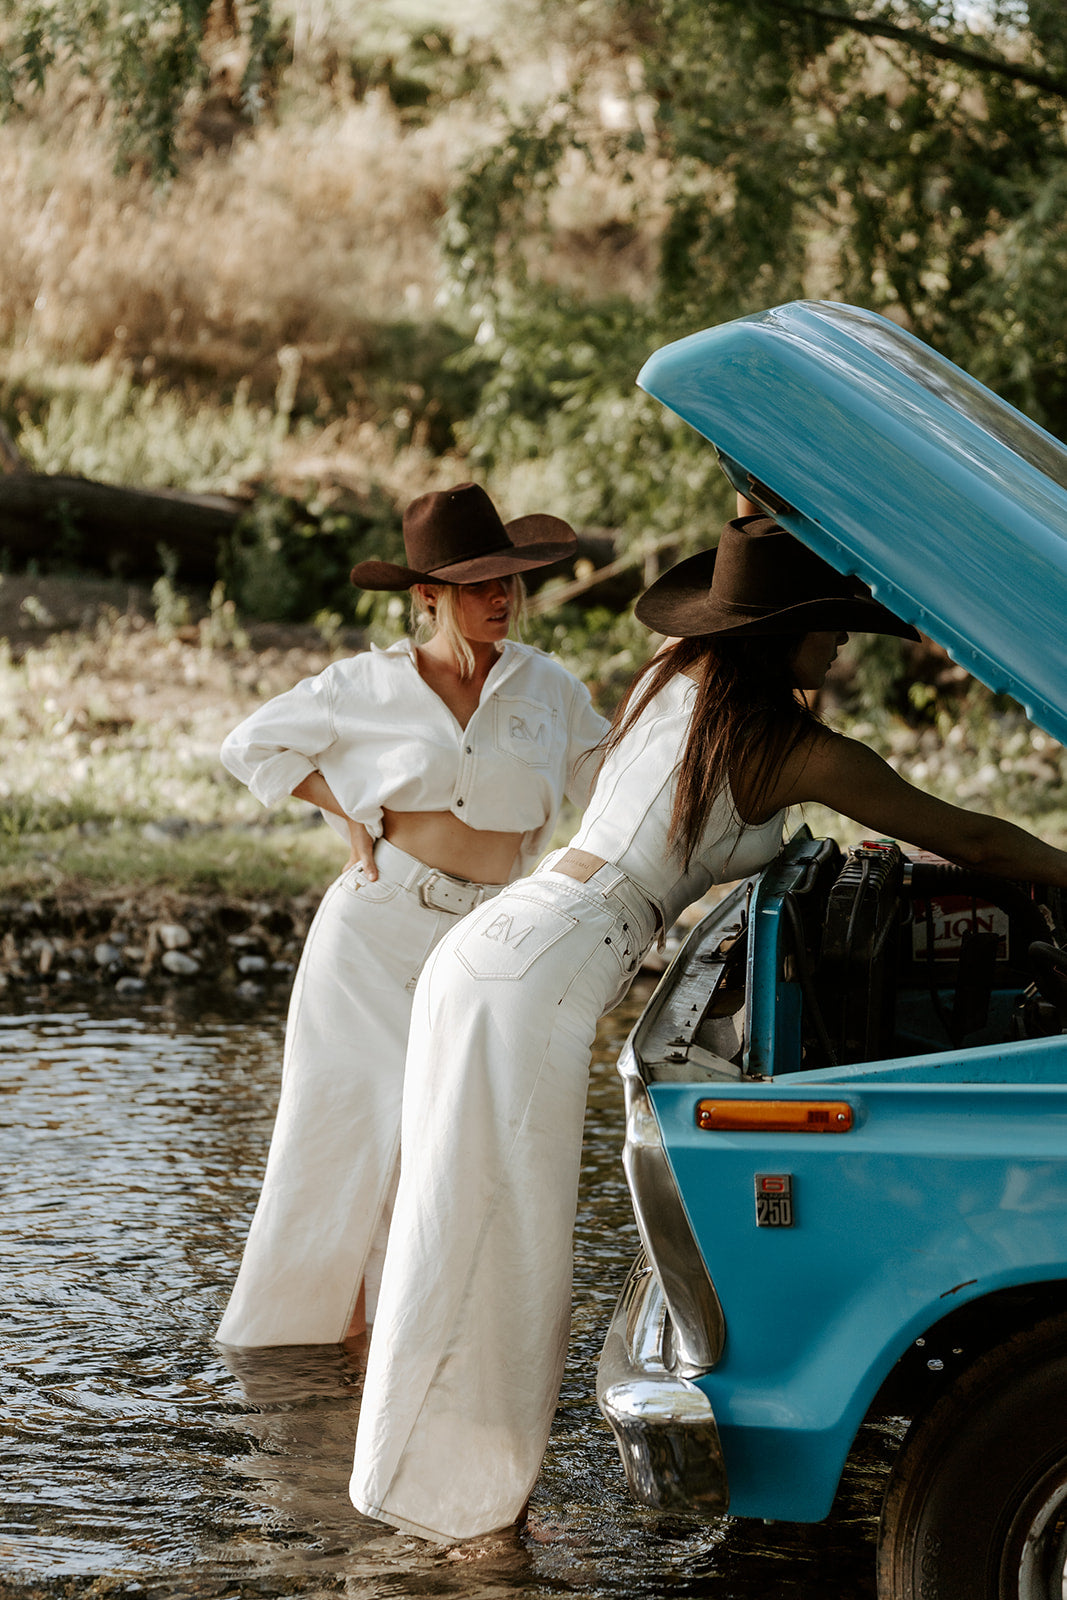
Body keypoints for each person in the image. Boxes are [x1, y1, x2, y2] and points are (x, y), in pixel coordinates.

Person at [348, 512, 1067, 1544]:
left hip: (493, 949)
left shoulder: (674, 685)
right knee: (503, 1246)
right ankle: (468, 1521)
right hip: (538, 976)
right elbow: (958, 832)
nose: (839, 643)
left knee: (450, 1225)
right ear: (777, 633)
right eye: (824, 626)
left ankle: (433, 1500)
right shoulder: (788, 745)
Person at [215, 482, 608, 1349]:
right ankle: (306, 1357)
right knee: (340, 1134)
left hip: (488, 941)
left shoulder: (550, 689)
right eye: (476, 584)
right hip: (370, 934)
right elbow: (250, 745)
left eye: (507, 581)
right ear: (426, 596)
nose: (499, 598)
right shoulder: (363, 685)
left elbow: (612, 784)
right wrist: (340, 805)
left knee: (446, 1142)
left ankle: (410, 1347)